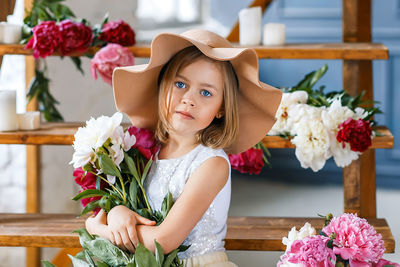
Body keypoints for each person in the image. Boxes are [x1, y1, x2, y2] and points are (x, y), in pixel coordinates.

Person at [85, 29, 282, 266]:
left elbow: (163, 241)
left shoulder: (212, 164)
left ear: (221, 108)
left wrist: (100, 230)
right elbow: (131, 207)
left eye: (206, 92)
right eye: (180, 83)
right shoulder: (146, 153)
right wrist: (118, 214)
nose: (189, 99)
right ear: (162, 87)